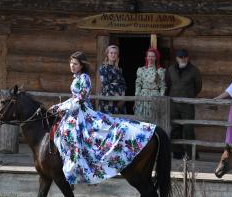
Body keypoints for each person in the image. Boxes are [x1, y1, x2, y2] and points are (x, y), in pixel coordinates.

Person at [50, 51, 156, 184]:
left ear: (81, 65)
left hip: (83, 112)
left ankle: (82, 169)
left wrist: (63, 107)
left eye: (75, 63)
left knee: (74, 133)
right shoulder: (76, 78)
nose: (72, 65)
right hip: (74, 111)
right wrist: (58, 105)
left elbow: (81, 98)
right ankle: (71, 167)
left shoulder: (84, 78)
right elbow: (73, 97)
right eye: (71, 63)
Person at [166, 49, 202, 159]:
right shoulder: (171, 69)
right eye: (180, 57)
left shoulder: (194, 70)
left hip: (187, 104)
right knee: (175, 128)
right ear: (177, 58)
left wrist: (189, 95)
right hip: (174, 104)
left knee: (188, 129)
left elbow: (198, 86)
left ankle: (191, 154)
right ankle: (177, 153)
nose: (183, 59)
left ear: (188, 57)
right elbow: (167, 83)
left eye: (185, 57)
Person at [134, 48, 166, 117]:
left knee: (154, 118)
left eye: (153, 56)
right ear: (146, 57)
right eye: (149, 56)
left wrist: (161, 98)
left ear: (156, 58)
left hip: (155, 97)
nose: (150, 58)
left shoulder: (160, 71)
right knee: (141, 117)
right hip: (143, 96)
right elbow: (138, 84)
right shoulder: (141, 70)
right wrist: (137, 97)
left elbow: (162, 86)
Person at [98, 45, 127, 114]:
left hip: (119, 100)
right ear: (107, 54)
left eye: (115, 53)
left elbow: (123, 84)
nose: (113, 55)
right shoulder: (103, 68)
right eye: (111, 53)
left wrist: (122, 97)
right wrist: (118, 98)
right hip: (108, 98)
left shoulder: (119, 69)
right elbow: (106, 84)